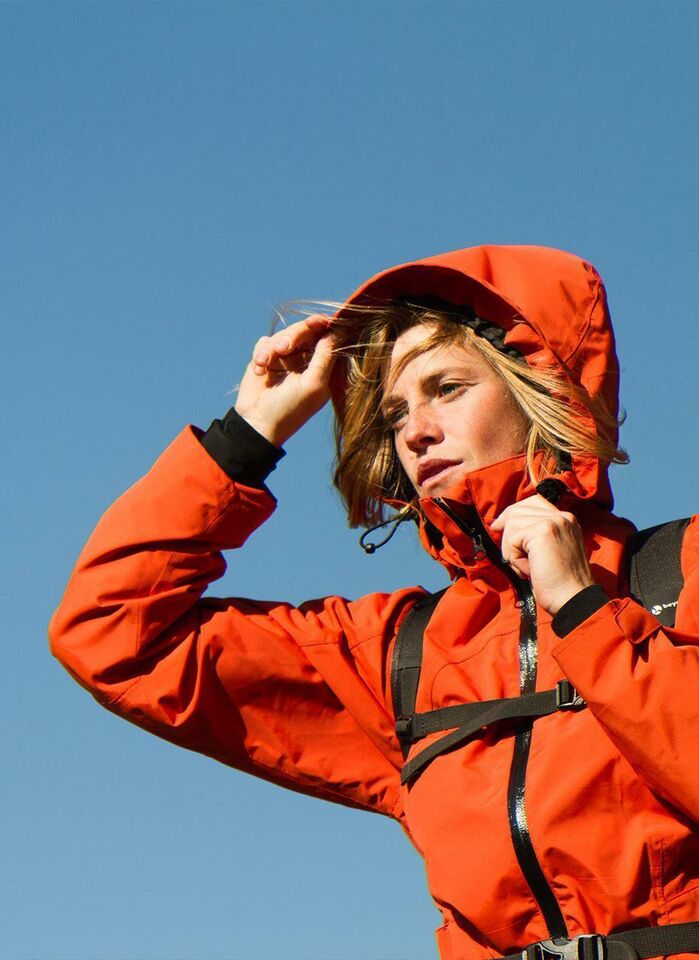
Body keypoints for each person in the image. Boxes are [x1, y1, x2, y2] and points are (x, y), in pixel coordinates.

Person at [49, 244, 699, 960]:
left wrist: (580, 611)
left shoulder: (684, 572)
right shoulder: (393, 653)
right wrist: (246, 435)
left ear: (540, 390)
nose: (414, 429)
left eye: (447, 387)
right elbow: (111, 633)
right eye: (394, 412)